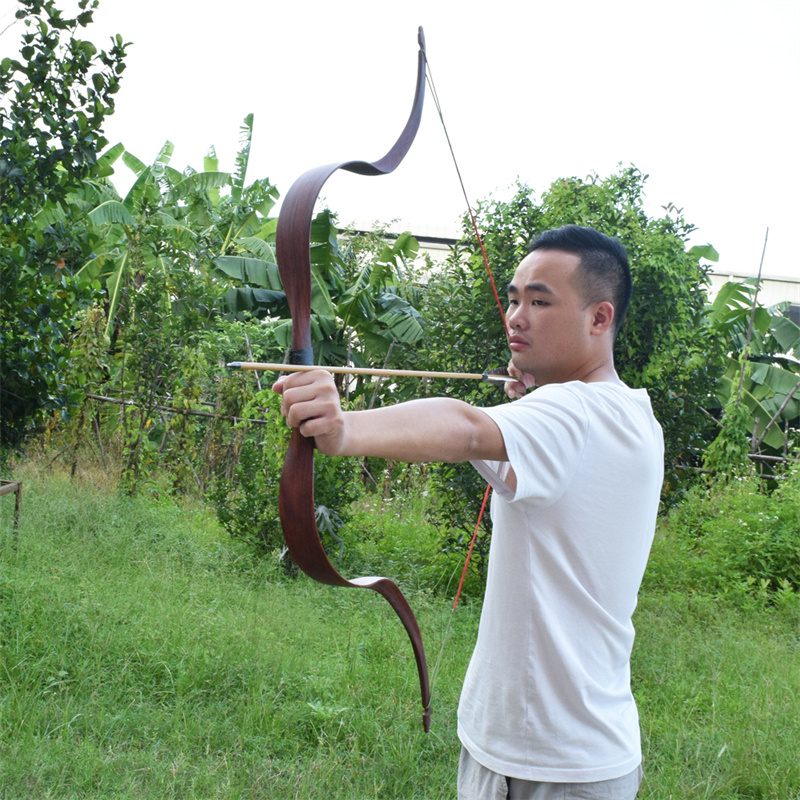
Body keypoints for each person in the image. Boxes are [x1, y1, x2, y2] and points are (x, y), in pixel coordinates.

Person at [274, 225, 664, 800]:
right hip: (544, 750)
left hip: (551, 767)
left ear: (599, 318)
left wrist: (345, 428)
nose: (516, 316)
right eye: (513, 298)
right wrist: (531, 405)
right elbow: (523, 458)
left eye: (540, 301)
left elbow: (465, 429)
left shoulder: (575, 413)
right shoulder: (627, 414)